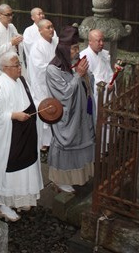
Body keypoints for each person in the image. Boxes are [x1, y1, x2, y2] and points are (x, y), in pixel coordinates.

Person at [0, 51, 43, 222]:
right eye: (16, 65)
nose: (20, 68)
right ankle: (4, 205)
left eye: (19, 64)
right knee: (11, 169)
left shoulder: (21, 81)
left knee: (27, 166)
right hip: (10, 136)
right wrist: (13, 115)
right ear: (4, 68)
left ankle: (22, 198)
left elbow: (32, 99)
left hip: (26, 131)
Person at [46, 26, 95, 193]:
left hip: (81, 113)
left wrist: (86, 75)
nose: (76, 51)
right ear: (64, 49)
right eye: (73, 48)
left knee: (83, 141)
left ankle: (80, 176)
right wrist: (78, 75)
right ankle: (60, 180)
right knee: (65, 145)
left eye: (77, 47)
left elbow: (88, 81)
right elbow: (64, 94)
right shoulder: (53, 69)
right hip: (67, 117)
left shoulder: (75, 63)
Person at [27, 19, 58, 149]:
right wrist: (56, 67)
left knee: (56, 108)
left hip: (55, 82)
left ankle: (55, 139)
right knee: (45, 110)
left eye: (52, 27)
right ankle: (44, 144)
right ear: (40, 31)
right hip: (42, 84)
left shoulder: (56, 42)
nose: (51, 30)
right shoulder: (37, 47)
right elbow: (40, 67)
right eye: (47, 27)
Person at [80, 29, 115, 104]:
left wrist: (111, 82)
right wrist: (105, 87)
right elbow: (85, 80)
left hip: (106, 90)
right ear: (90, 42)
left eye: (103, 40)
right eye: (98, 41)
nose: (101, 43)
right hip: (94, 93)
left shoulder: (103, 54)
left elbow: (108, 72)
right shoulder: (84, 56)